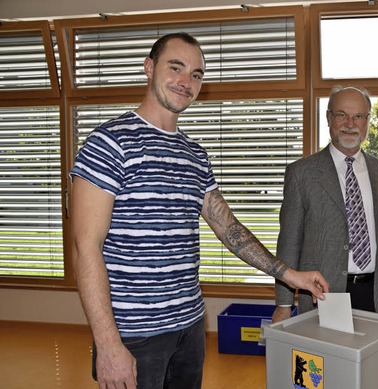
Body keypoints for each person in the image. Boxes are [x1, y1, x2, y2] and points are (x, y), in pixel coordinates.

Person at [69, 32, 328, 389]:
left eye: (196, 74)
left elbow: (227, 227)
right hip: (133, 334)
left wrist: (288, 274)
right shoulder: (109, 143)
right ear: (149, 68)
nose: (186, 82)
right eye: (175, 68)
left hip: (189, 327)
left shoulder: (194, 155)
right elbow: (86, 248)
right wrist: (108, 343)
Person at [272, 85, 378, 323]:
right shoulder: (300, 173)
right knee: (325, 360)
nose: (350, 123)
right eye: (341, 115)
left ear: (367, 121)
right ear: (328, 118)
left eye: (358, 116)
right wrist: (284, 303)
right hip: (323, 294)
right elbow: (289, 242)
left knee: (373, 359)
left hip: (377, 293)